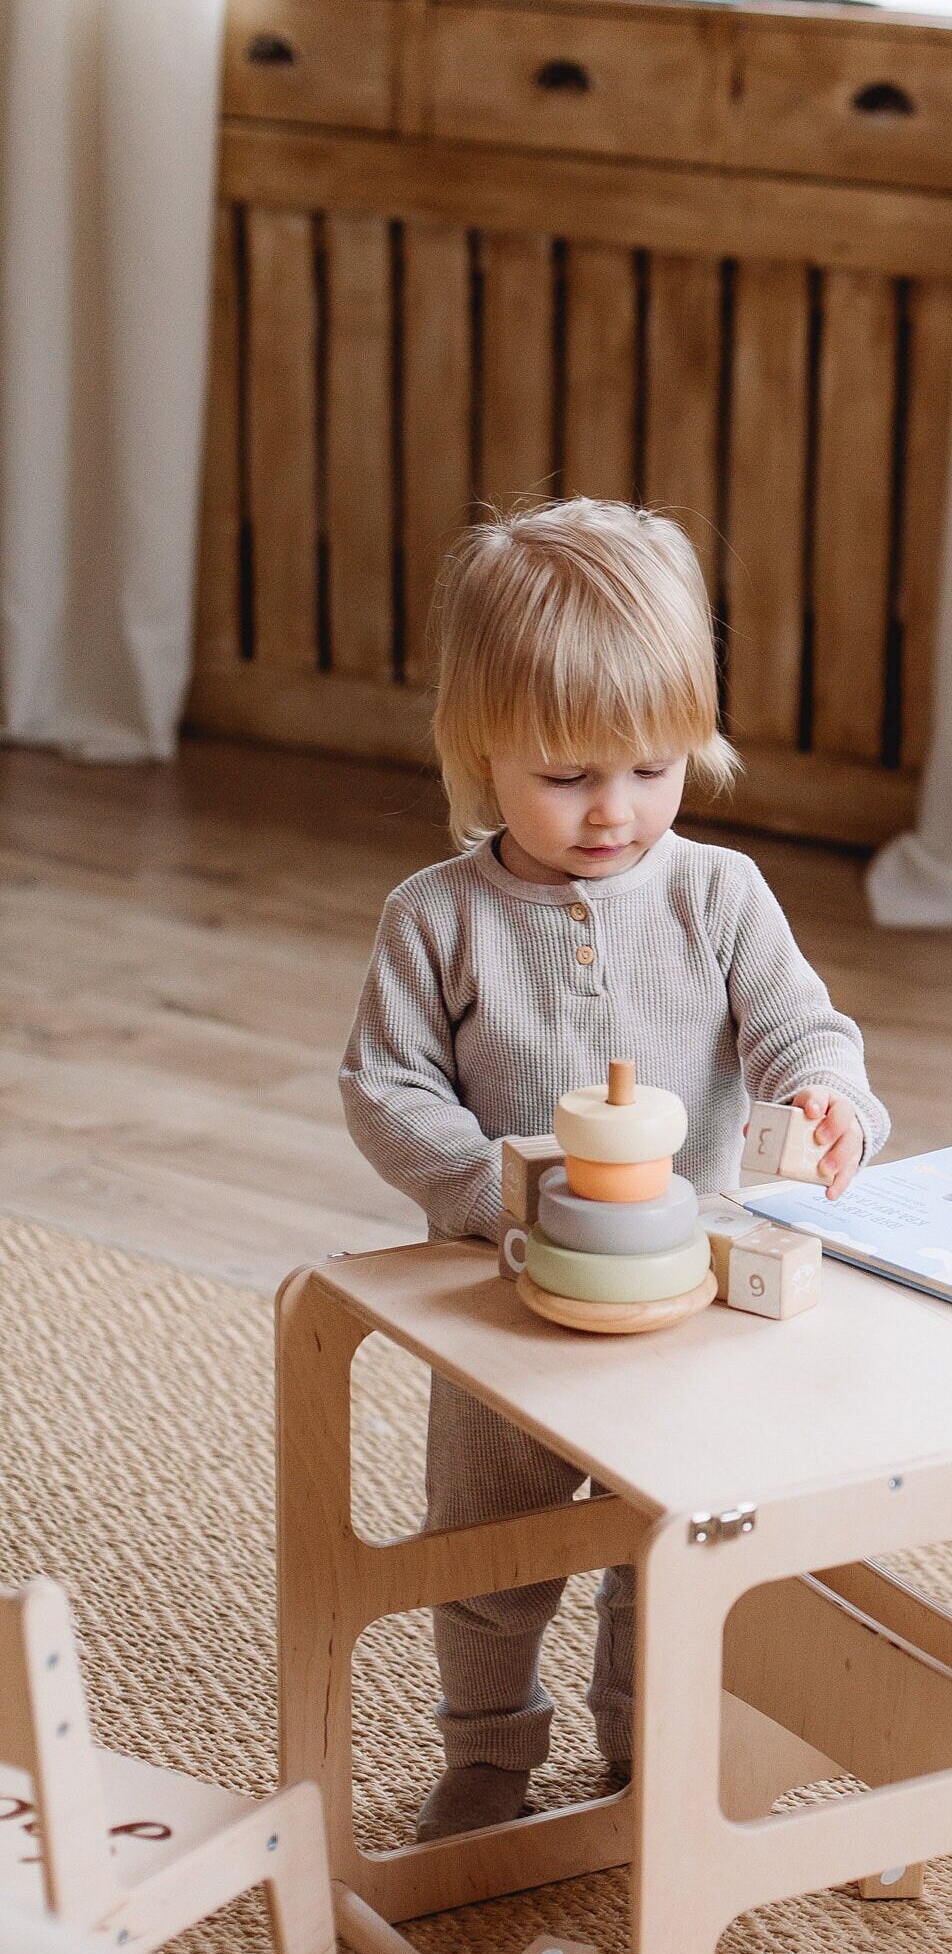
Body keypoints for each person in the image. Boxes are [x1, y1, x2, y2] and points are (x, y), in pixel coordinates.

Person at [342, 499, 887, 1841]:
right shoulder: (439, 919)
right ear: (481, 751)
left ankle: (644, 1753)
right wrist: (488, 1191)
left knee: (669, 1544)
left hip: (681, 1303)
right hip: (506, 1305)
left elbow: (803, 1026)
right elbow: (385, 1088)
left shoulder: (720, 894)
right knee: (487, 1555)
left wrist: (830, 1098)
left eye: (651, 769)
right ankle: (487, 1750)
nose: (614, 811)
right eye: (568, 775)